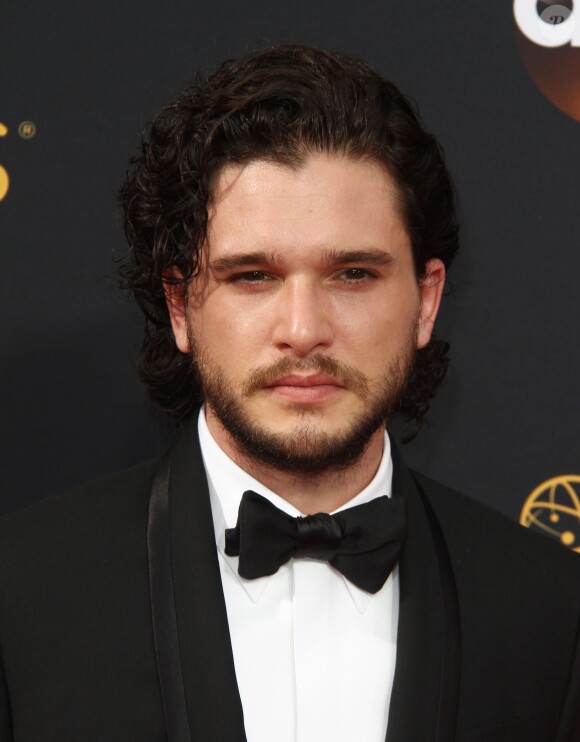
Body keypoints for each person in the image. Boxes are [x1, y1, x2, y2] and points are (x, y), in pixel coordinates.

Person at [0, 43, 578, 742]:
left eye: (353, 275)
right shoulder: (22, 593)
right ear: (181, 306)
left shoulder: (551, 612)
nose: (303, 331)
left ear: (426, 302)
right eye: (253, 276)